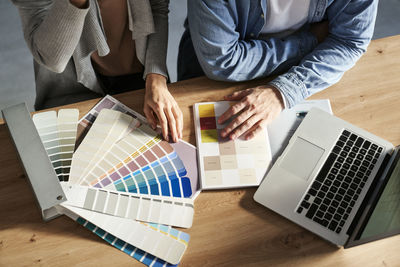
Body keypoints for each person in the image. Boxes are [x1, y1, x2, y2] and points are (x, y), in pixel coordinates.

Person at [178, 0, 378, 140]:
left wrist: (282, 92)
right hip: (211, 82)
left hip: (304, 71)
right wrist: (313, 40)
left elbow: (350, 42)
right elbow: (222, 61)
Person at [12, 0, 182, 142]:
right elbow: (52, 59)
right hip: (71, 94)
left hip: (141, 83)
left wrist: (156, 77)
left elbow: (157, 8)